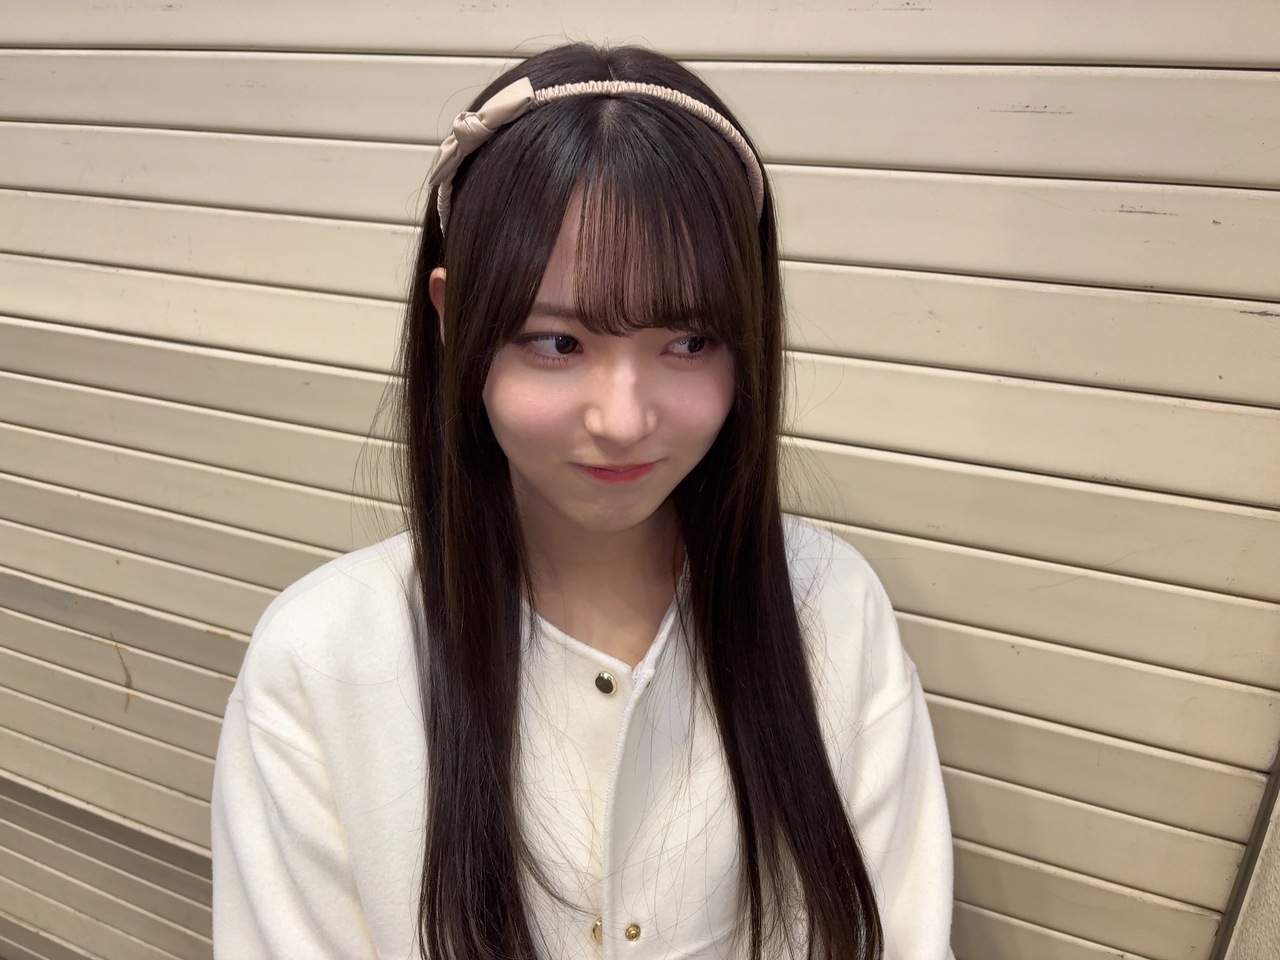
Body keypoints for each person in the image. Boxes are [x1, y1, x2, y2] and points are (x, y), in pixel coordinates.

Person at [210, 41, 955, 960]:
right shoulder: (320, 660)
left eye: (689, 341)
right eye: (558, 343)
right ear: (453, 320)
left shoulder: (830, 607)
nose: (623, 419)